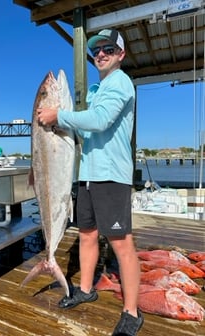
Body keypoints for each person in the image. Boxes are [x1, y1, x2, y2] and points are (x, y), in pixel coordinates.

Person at [37, 28, 144, 336]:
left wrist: (60, 115)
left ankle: (131, 311)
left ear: (121, 55)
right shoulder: (97, 91)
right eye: (97, 50)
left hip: (111, 175)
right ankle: (85, 288)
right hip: (87, 175)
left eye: (108, 49)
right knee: (86, 234)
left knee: (121, 244)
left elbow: (99, 120)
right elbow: (86, 131)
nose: (100, 54)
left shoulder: (120, 83)